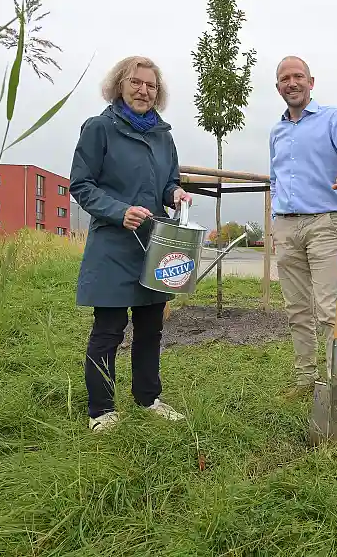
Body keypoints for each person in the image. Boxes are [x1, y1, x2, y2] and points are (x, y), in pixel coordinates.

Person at [69, 55, 194, 432]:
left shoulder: (163, 137)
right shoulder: (99, 128)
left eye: (151, 85)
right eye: (136, 83)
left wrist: (175, 194)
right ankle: (101, 409)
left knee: (151, 327)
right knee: (108, 329)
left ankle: (147, 397)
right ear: (119, 86)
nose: (144, 90)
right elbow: (81, 185)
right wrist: (118, 210)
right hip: (113, 244)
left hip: (154, 244)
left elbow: (168, 181)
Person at [269, 56, 337, 397]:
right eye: (285, 78)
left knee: (330, 308)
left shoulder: (334, 118)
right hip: (285, 227)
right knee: (296, 309)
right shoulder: (277, 131)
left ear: (311, 82)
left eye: (298, 76)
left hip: (324, 225)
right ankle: (304, 379)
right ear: (278, 88)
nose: (292, 83)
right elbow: (276, 177)